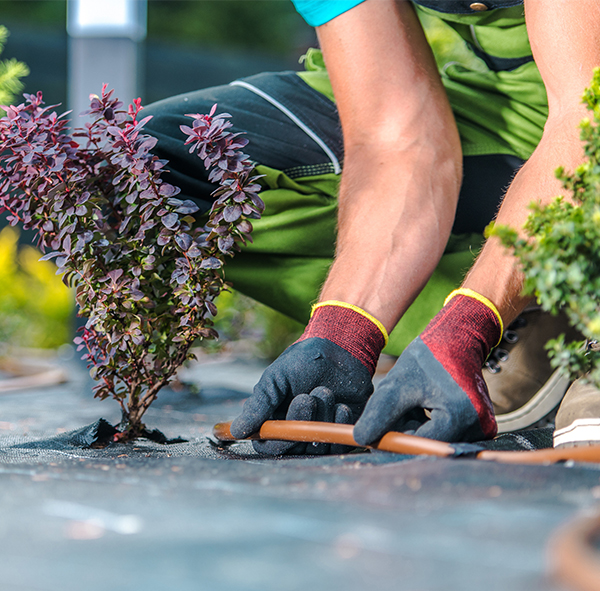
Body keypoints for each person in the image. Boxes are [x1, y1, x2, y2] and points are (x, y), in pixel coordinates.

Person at [143, 0, 599, 454]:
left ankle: (556, 306)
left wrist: (469, 327)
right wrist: (343, 334)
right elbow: (397, 137)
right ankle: (537, 308)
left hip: (584, 101)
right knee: (146, 165)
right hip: (514, 114)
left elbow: (586, 113)